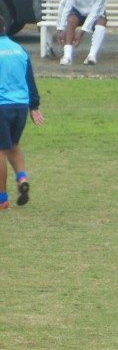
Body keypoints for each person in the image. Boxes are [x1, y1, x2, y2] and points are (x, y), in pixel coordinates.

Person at [0, 13, 43, 210]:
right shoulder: (19, 50)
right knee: (13, 146)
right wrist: (34, 106)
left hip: (2, 106)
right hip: (20, 106)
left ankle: (2, 199)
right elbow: (30, 80)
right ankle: (22, 177)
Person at [56, 0, 108, 66]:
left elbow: (94, 13)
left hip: (94, 13)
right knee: (71, 20)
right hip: (78, 11)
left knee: (102, 21)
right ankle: (67, 56)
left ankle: (91, 56)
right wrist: (60, 28)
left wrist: (82, 31)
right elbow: (65, 6)